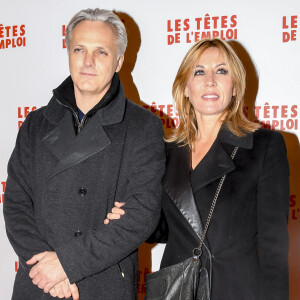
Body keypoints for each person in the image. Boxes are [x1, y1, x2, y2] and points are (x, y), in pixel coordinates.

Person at [106, 38, 290, 300]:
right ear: (185, 88)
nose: (210, 80)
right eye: (199, 71)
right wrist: (131, 214)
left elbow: (274, 250)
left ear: (236, 87)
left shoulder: (264, 146)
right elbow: (164, 228)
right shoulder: (166, 152)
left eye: (222, 71)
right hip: (178, 289)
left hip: (235, 290)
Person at [3, 8, 165, 300]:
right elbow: (16, 204)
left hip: (102, 283)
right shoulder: (35, 124)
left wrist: (67, 263)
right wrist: (48, 270)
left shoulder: (143, 127)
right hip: (38, 283)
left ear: (119, 61)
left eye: (101, 52)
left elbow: (142, 213)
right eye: (79, 49)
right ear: (68, 53)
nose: (88, 62)